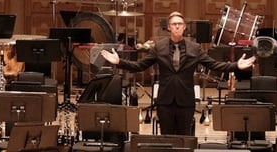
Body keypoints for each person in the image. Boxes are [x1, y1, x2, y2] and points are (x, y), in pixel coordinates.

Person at [101, 11, 255, 137]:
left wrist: (236, 66)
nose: (177, 27)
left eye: (180, 24)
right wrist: (119, 62)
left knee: (184, 137)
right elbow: (140, 66)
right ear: (169, 27)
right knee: (167, 137)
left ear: (184, 27)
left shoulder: (195, 48)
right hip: (165, 100)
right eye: (174, 24)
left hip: (185, 100)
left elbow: (214, 65)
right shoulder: (158, 47)